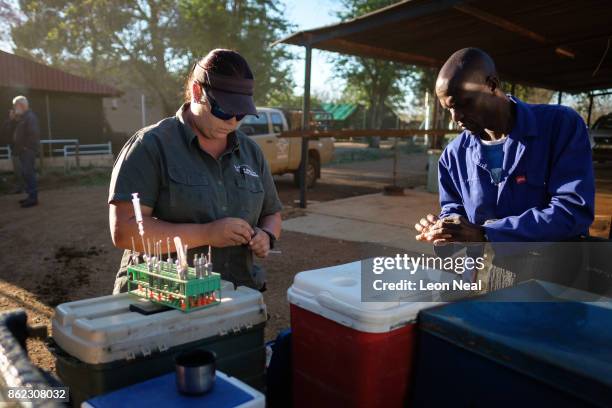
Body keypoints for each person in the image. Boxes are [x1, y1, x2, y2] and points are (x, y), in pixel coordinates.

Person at [108, 49, 282, 294]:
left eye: (241, 112)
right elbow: (124, 230)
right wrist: (206, 233)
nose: (233, 121)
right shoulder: (150, 146)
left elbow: (272, 213)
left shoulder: (251, 152)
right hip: (162, 297)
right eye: (224, 110)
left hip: (236, 293)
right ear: (197, 92)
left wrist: (266, 235)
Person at [415, 48, 594, 245]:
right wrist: (444, 229)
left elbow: (572, 211)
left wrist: (486, 234)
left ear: (491, 85)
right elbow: (454, 210)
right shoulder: (454, 155)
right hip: (482, 271)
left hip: (551, 269)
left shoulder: (560, 126)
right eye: (449, 109)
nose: (456, 118)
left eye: (464, 103)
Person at [0, 96, 40, 207]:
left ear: (22, 105)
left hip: (27, 151)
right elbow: (8, 131)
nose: (14, 108)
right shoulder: (21, 118)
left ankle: (33, 198)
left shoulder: (30, 117)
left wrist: (26, 147)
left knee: (28, 173)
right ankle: (30, 196)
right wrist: (11, 120)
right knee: (25, 173)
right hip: (22, 151)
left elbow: (34, 134)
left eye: (15, 105)